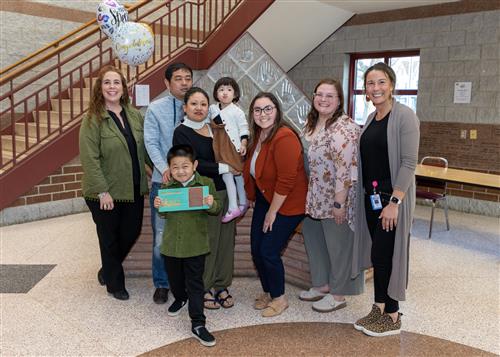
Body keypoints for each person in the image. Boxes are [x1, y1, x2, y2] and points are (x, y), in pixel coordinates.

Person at [352, 62, 420, 337]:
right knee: (378, 255)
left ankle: (392, 315)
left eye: (381, 82)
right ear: (366, 90)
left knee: (386, 255)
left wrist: (395, 203)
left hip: (392, 201)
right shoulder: (371, 118)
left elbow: (409, 162)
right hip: (372, 199)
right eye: (370, 83)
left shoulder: (405, 116)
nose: (376, 88)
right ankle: (379, 307)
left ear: (391, 85)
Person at [79, 65, 148, 301]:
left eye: (116, 82)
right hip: (104, 192)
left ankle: (107, 269)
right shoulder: (92, 119)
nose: (112, 87)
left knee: (131, 232)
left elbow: (144, 148)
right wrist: (102, 191)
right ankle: (114, 284)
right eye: (107, 82)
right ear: (100, 88)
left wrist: (166, 169)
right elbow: (90, 158)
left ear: (123, 87)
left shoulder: (134, 114)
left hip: (133, 188)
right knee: (108, 238)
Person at [299, 79, 364, 312]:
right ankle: (322, 284)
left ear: (339, 100)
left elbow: (346, 170)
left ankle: (338, 294)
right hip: (315, 197)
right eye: (320, 94)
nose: (323, 99)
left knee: (338, 245)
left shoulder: (343, 129)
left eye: (330, 96)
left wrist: (340, 203)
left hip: (336, 197)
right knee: (313, 236)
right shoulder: (313, 123)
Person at [243, 92, 308, 317]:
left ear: (277, 110)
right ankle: (269, 291)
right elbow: (253, 171)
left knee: (268, 251)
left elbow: (287, 180)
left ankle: (280, 299)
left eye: (268, 108)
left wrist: (272, 213)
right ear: (252, 114)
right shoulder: (258, 136)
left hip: (288, 204)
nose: (263, 114)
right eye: (258, 110)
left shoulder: (285, 137)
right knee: (256, 249)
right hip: (266, 199)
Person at [173, 87, 237, 309]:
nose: (199, 108)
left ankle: (221, 284)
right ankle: (205, 286)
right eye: (194, 104)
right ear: (185, 107)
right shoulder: (181, 132)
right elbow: (188, 166)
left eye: (203, 104)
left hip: (226, 192)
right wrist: (223, 167)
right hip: (202, 192)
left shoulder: (213, 129)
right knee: (208, 241)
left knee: (226, 240)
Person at [153, 144, 221, 347]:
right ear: (169, 169)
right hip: (172, 245)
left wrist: (211, 203)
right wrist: (159, 206)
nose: (180, 171)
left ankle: (198, 323)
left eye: (185, 166)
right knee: (175, 280)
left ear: (195, 165)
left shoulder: (205, 184)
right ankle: (180, 298)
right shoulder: (166, 187)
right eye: (175, 167)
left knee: (195, 283)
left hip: (195, 246)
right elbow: (163, 214)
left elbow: (216, 208)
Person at [144, 63, 193, 304]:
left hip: (191, 186)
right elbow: (151, 143)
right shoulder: (155, 108)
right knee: (161, 237)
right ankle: (162, 283)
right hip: (163, 184)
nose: (184, 83)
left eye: (187, 78)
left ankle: (185, 282)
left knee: (188, 234)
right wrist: (165, 170)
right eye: (178, 79)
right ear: (167, 83)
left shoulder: (198, 105)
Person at [209, 77, 250, 222]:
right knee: (232, 175)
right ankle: (243, 202)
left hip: (233, 147)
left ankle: (234, 206)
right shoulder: (212, 109)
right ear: (216, 93)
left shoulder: (237, 111)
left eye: (229, 89)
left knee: (232, 174)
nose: (225, 93)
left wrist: (243, 144)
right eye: (221, 89)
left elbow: (244, 129)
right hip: (219, 147)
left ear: (235, 93)